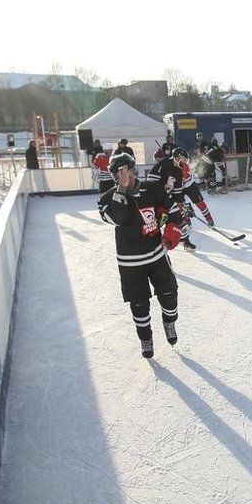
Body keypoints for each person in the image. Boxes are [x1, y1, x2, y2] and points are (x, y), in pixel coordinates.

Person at [97, 152, 183, 358]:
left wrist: (171, 230)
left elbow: (173, 210)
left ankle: (169, 323)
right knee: (139, 304)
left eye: (124, 171)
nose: (121, 176)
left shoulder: (152, 189)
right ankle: (146, 338)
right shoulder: (106, 199)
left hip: (156, 255)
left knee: (169, 294)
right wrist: (121, 189)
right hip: (130, 262)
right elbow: (117, 217)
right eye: (116, 174)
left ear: (132, 168)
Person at [147, 148, 197, 251]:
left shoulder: (178, 171)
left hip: (166, 198)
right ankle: (151, 244)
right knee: (154, 222)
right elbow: (150, 183)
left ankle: (186, 241)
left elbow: (177, 192)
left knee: (180, 216)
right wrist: (162, 193)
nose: (184, 162)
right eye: (182, 159)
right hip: (154, 198)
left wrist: (183, 204)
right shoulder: (163, 165)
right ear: (176, 157)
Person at [173, 147, 216, 231]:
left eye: (184, 158)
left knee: (200, 203)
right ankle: (186, 222)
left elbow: (184, 176)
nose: (183, 160)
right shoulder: (171, 165)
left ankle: (210, 220)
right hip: (178, 188)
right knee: (179, 205)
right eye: (181, 158)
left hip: (189, 185)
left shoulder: (185, 166)